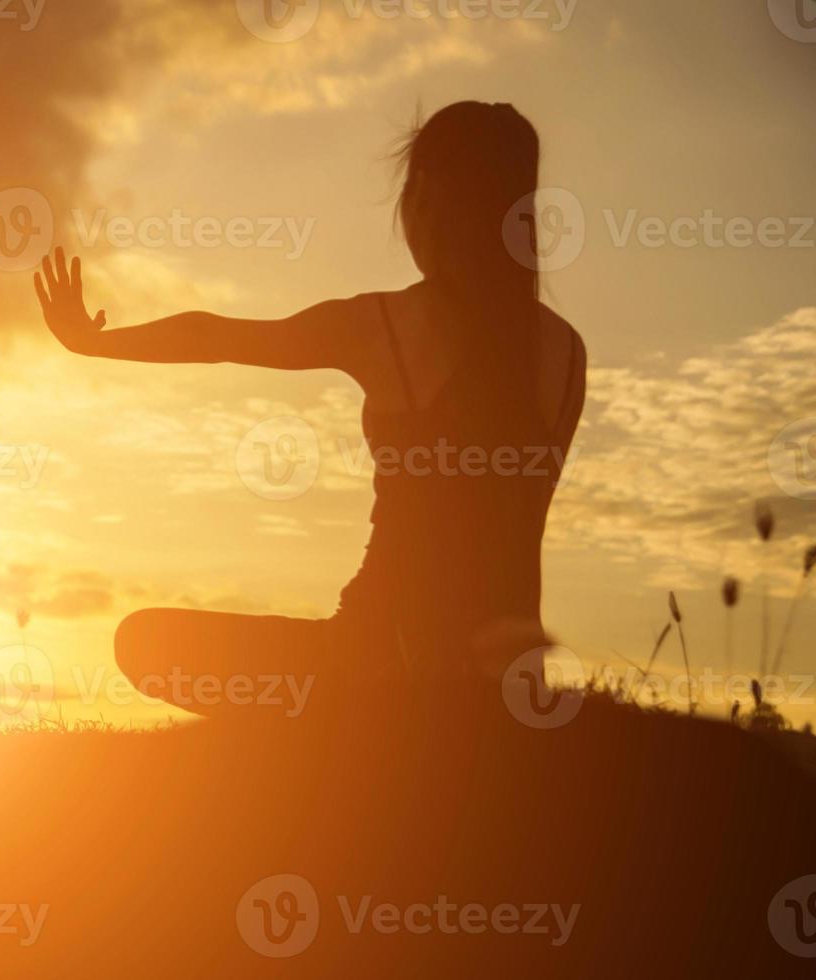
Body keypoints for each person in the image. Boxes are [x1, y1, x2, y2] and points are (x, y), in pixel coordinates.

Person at [33, 101, 586, 718]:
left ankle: (321, 743)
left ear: (425, 196)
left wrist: (96, 342)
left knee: (145, 641)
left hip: (372, 664)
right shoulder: (565, 352)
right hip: (509, 684)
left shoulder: (389, 325)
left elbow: (216, 338)